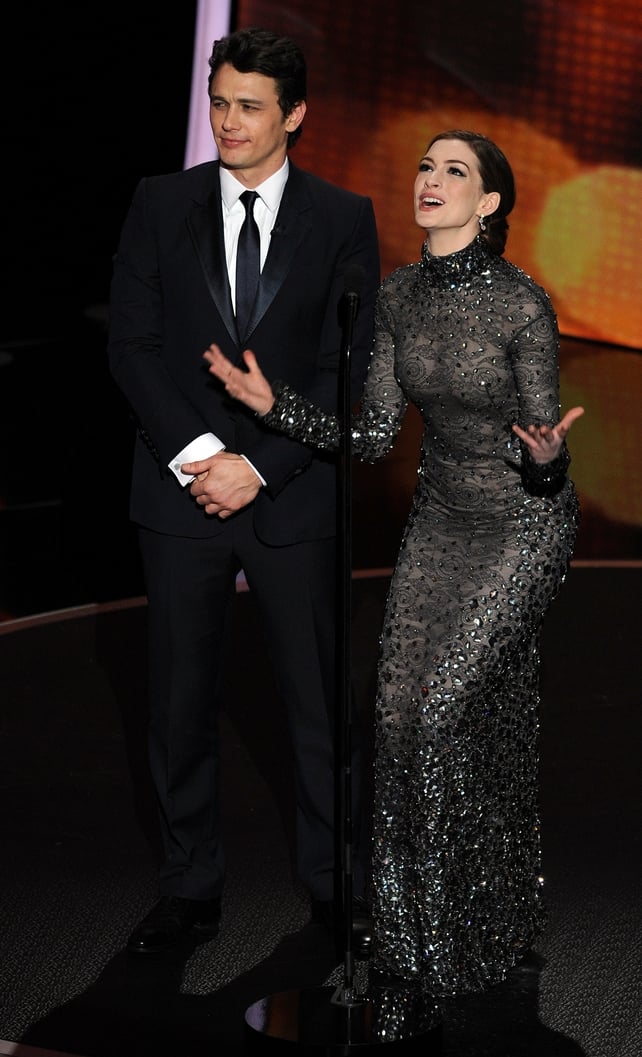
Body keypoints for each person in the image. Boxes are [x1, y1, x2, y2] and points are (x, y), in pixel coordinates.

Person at [201, 129, 585, 998]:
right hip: (442, 517)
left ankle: (456, 933)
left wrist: (548, 459)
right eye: (425, 166)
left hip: (523, 521)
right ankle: (430, 927)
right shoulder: (399, 296)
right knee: (399, 716)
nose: (431, 180)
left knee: (444, 712)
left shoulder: (523, 304)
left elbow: (543, 439)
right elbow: (373, 435)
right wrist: (278, 406)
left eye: (456, 171)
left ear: (489, 205)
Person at [107, 26, 380, 956]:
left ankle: (336, 887)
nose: (227, 121)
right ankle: (189, 888)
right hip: (179, 496)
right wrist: (198, 455)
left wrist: (258, 463)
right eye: (220, 102)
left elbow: (345, 367)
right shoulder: (159, 201)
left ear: (294, 116)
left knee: (318, 706)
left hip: (291, 496)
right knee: (178, 703)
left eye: (250, 106)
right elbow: (132, 345)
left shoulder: (344, 217)